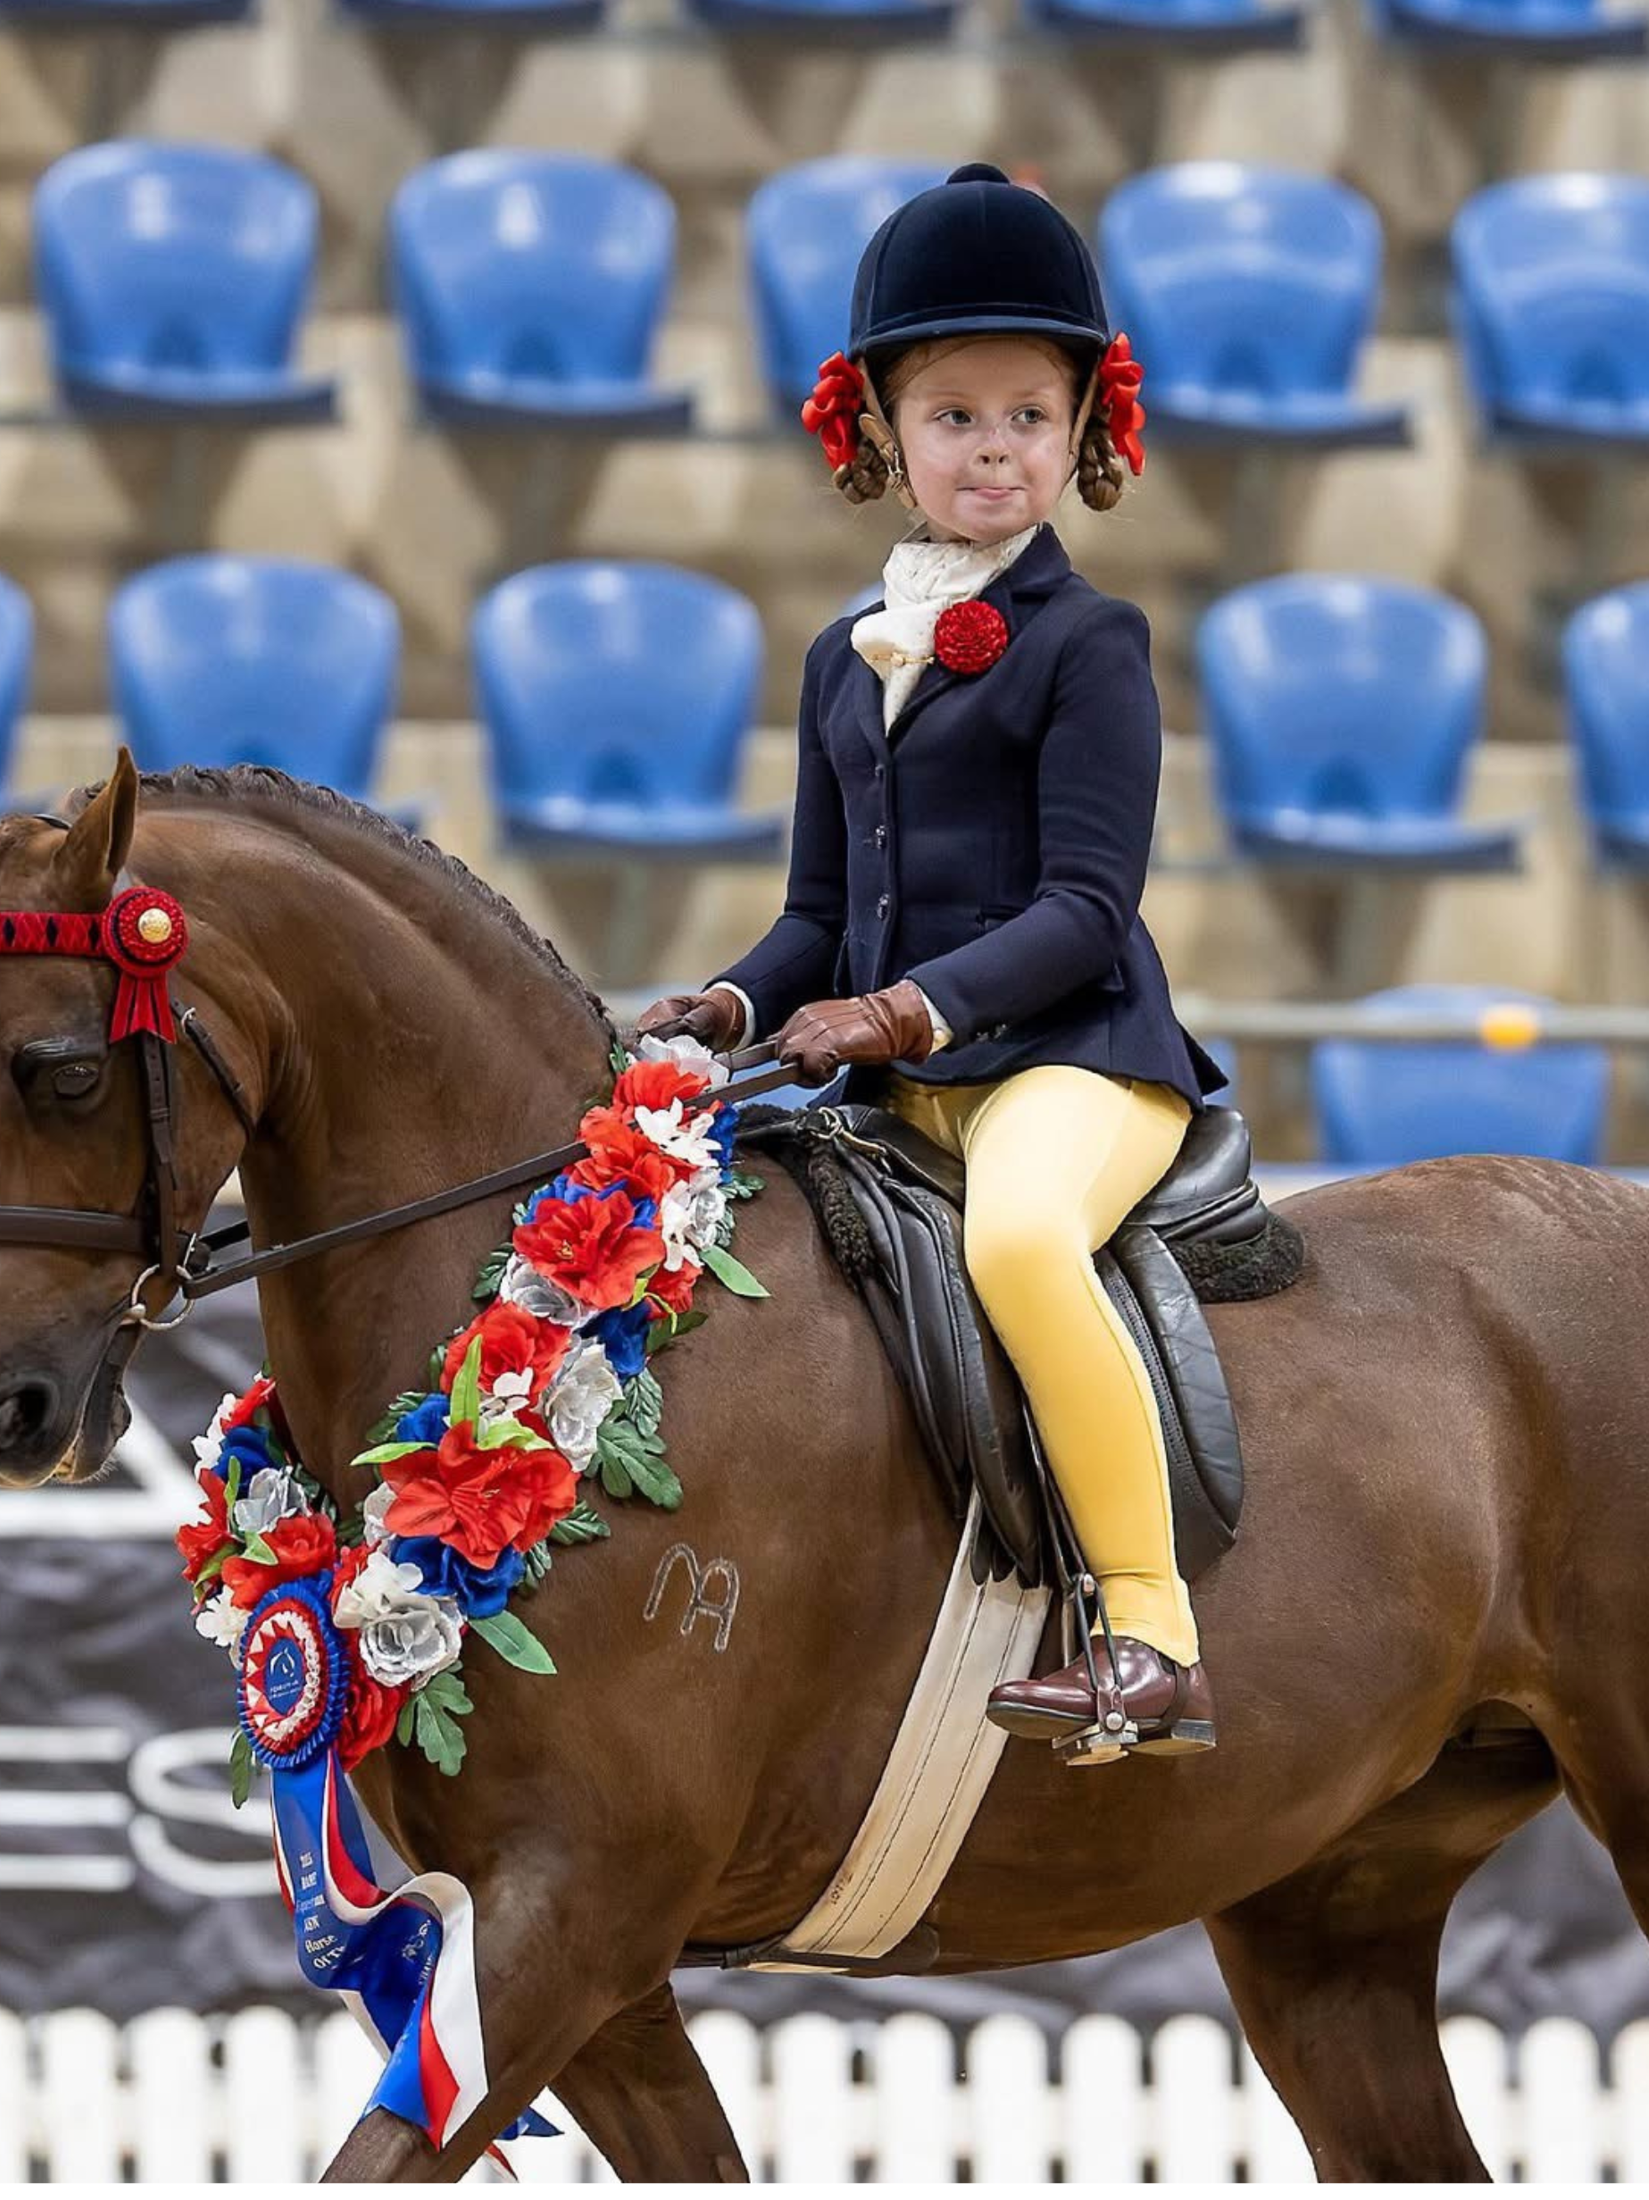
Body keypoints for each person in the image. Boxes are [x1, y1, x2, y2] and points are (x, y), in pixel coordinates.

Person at [634, 163, 1228, 1762]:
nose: (995, 449)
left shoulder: (1091, 643)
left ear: (1081, 431)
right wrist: (730, 1005)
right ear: (883, 433)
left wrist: (903, 1012)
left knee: (1023, 1244)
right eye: (955, 417)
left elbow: (1089, 907)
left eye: (1030, 416)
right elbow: (819, 910)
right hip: (906, 1085)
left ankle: (1151, 1635)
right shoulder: (845, 657)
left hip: (1076, 1063)